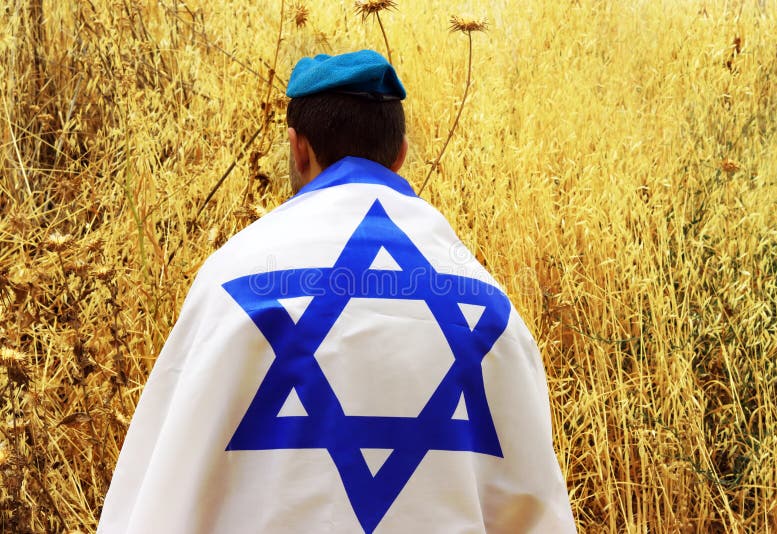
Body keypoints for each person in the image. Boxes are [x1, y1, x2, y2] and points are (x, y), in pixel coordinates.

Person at [98, 49, 576, 533]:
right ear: (401, 153)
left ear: (297, 147)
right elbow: (536, 509)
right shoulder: (488, 308)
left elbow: (162, 491)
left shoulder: (234, 281)